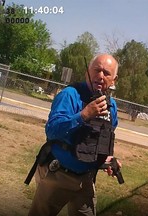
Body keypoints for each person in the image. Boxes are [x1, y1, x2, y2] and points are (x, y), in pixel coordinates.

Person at [28, 53, 121, 216]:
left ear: (114, 79)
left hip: (86, 180)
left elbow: (100, 140)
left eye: (106, 73)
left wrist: (107, 159)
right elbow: (52, 130)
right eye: (96, 70)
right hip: (59, 175)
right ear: (87, 72)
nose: (100, 76)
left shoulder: (111, 106)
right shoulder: (70, 95)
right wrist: (83, 115)